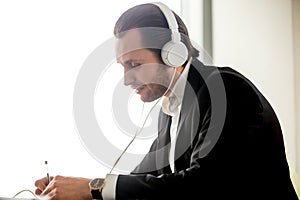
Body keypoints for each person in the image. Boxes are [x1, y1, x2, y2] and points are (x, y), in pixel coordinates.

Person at [34, 2, 298, 199]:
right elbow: (143, 181)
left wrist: (93, 188)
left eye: (134, 64)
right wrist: (70, 190)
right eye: (123, 67)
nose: (126, 80)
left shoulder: (227, 90)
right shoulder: (171, 107)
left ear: (173, 53)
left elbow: (204, 185)